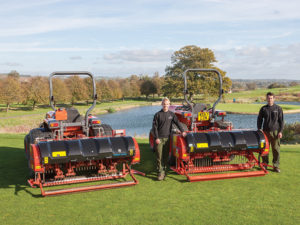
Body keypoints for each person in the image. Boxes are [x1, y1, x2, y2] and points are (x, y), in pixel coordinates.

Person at [152, 97, 187, 181]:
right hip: (159, 139)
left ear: (169, 105)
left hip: (168, 138)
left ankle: (164, 170)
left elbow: (178, 123)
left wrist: (182, 131)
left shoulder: (172, 114)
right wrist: (156, 138)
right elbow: (154, 128)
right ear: (162, 104)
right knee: (159, 156)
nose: (165, 105)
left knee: (165, 156)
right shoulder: (157, 115)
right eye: (164, 104)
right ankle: (160, 172)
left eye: (167, 104)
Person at [257, 92, 284, 173]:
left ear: (274, 99)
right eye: (268, 98)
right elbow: (259, 119)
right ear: (266, 99)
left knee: (276, 149)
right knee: (265, 149)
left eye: (271, 98)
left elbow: (281, 121)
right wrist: (259, 128)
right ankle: (265, 164)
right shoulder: (263, 109)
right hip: (265, 132)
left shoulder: (278, 108)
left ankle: (275, 166)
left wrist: (280, 131)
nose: (270, 99)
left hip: (275, 132)